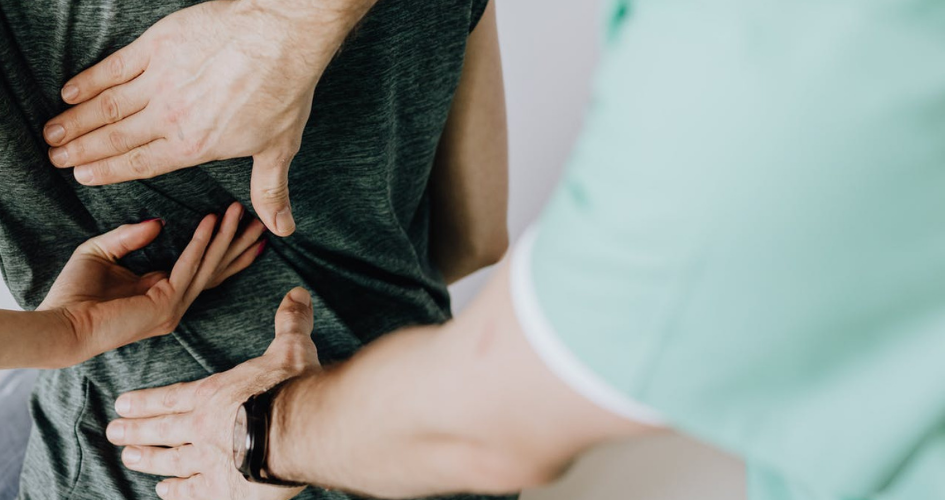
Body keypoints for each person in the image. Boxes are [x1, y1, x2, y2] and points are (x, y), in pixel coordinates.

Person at [90, 1, 945, 500]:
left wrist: (256, 429)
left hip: (191, 448)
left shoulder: (763, 80)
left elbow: (496, 418)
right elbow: (474, 238)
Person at [0, 1, 512, 500]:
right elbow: (474, 238)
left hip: (138, 464)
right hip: (414, 444)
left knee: (19, 399)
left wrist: (66, 336)